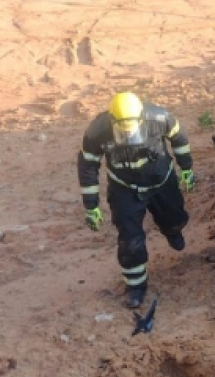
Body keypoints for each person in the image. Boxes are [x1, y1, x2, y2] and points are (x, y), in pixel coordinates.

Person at [77, 91, 196, 308]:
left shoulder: (160, 118)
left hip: (161, 181)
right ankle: (135, 287)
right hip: (124, 189)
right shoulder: (97, 131)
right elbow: (87, 166)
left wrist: (186, 167)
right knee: (129, 240)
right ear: (113, 120)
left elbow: (179, 138)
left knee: (175, 218)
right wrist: (91, 206)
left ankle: (172, 230)